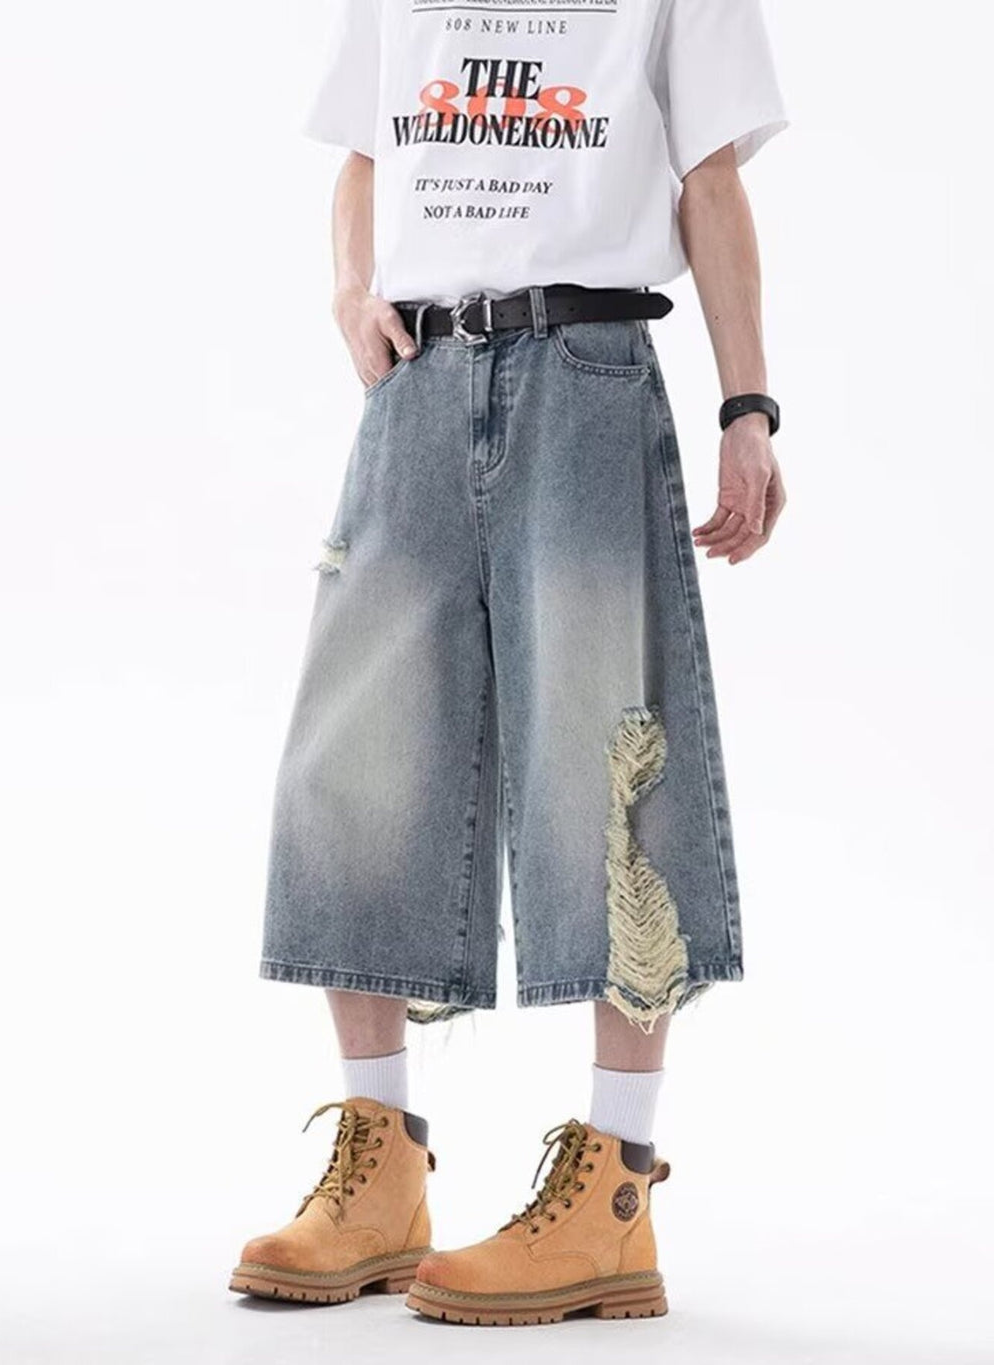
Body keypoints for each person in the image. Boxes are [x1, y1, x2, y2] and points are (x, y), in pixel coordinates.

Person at [229, 0, 788, 1327]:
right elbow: (364, 153)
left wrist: (748, 407)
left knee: (610, 757)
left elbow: (710, 177)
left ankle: (614, 1190)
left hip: (588, 367)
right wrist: (351, 290)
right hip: (418, 375)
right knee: (355, 762)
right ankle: (379, 1170)